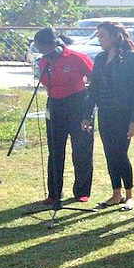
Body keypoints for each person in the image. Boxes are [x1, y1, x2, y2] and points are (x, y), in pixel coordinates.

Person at [82, 22, 134, 211]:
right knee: (109, 153)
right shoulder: (100, 58)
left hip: (123, 114)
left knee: (120, 153)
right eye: (98, 36)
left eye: (102, 36)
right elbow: (93, 89)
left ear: (115, 36)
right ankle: (116, 193)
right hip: (105, 112)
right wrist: (87, 115)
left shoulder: (131, 58)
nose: (99, 40)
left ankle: (130, 195)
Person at [34, 27, 94, 206]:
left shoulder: (77, 57)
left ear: (53, 44)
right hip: (55, 104)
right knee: (55, 150)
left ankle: (82, 191)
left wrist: (90, 102)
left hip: (78, 103)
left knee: (81, 148)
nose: (40, 51)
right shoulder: (44, 62)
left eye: (41, 47)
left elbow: (94, 78)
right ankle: (54, 192)